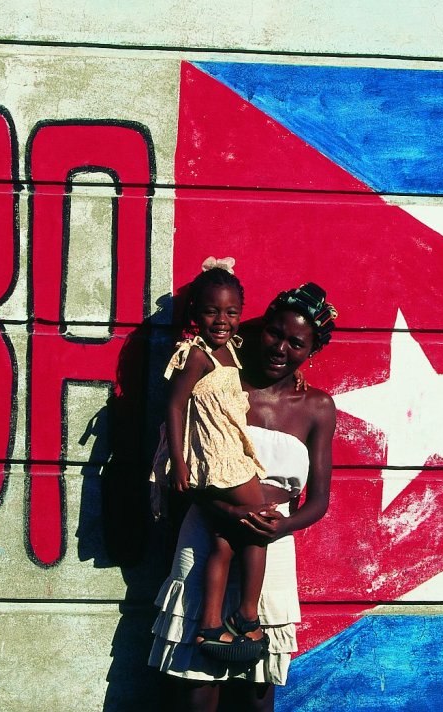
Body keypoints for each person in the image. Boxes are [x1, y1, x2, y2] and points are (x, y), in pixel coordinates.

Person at [149, 282, 339, 712]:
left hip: (271, 545)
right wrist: (227, 510)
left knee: (257, 684)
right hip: (206, 533)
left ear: (312, 349)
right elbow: (192, 461)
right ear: (259, 328)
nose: (280, 348)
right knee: (197, 677)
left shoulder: (318, 407)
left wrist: (279, 525)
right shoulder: (222, 386)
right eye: (274, 333)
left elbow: (318, 500)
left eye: (296, 342)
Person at [156, 257, 272, 661]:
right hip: (218, 458)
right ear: (194, 313)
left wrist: (294, 375)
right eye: (211, 311)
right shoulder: (197, 355)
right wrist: (180, 462)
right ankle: (246, 616)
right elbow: (174, 405)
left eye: (231, 312)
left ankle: (208, 625)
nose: (222, 320)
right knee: (261, 527)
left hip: (229, 451)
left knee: (224, 541)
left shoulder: (230, 352)